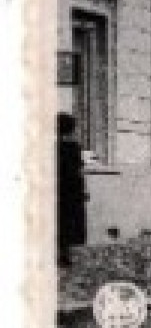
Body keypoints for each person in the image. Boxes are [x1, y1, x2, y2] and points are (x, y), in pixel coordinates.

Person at [57, 113, 87, 268]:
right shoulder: (74, 147)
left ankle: (59, 252)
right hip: (71, 189)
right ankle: (64, 254)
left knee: (58, 221)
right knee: (68, 222)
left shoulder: (52, 147)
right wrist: (83, 190)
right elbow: (78, 171)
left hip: (57, 188)